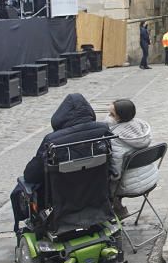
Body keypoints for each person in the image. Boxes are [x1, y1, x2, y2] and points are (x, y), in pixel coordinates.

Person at [10, 93, 112, 229]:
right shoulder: (102, 130)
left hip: (61, 200)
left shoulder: (53, 140)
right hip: (95, 195)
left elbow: (31, 174)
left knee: (22, 187)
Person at [105, 98, 157, 219]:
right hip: (149, 177)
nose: (108, 116)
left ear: (119, 118)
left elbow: (116, 171)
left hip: (130, 184)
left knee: (102, 182)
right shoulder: (141, 127)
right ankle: (118, 209)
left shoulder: (116, 137)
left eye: (111, 114)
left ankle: (115, 212)